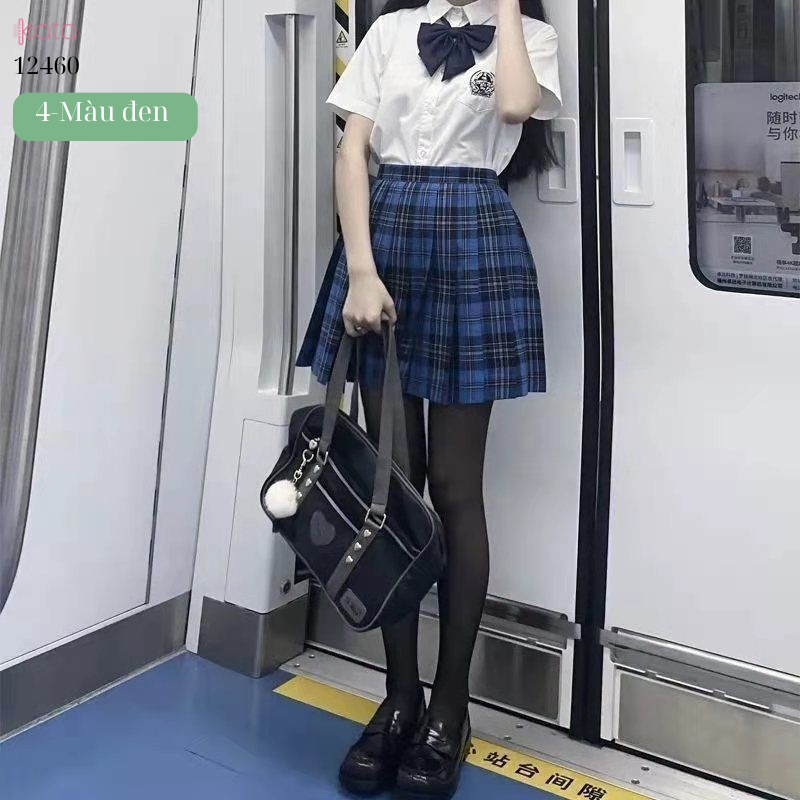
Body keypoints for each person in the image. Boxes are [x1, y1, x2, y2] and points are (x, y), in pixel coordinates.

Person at [296, 0, 561, 795]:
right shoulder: (389, 31)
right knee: (392, 486)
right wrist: (361, 268)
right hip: (386, 234)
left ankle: (450, 706)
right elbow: (353, 149)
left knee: (453, 488)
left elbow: (515, 105)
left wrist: (506, 9)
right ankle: (399, 697)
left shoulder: (532, 37)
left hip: (475, 236)